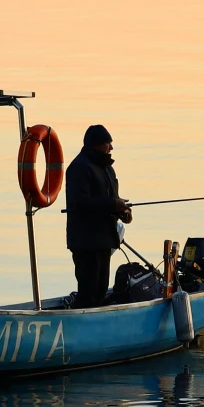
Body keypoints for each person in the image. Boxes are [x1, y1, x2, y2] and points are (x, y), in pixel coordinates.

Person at [62, 123, 132, 307]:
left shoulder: (107, 167)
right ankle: (80, 326)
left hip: (105, 240)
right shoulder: (79, 167)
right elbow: (81, 203)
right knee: (88, 293)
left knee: (100, 291)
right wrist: (112, 204)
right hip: (86, 243)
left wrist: (122, 211)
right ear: (95, 144)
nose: (111, 147)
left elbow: (111, 199)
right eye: (108, 143)